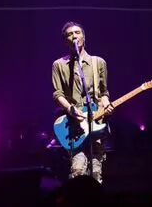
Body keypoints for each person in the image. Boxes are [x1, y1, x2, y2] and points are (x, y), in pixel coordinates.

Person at [51, 21, 114, 183]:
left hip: (96, 122)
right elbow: (58, 94)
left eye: (77, 32)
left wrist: (106, 103)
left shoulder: (98, 62)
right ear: (65, 41)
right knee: (78, 170)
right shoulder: (59, 65)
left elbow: (103, 93)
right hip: (74, 125)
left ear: (84, 37)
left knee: (96, 173)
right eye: (69, 34)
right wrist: (70, 108)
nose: (74, 36)